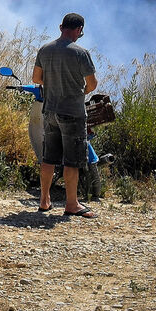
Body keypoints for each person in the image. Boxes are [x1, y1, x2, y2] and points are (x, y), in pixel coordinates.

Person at [32, 12, 99, 218]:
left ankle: (44, 201)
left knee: (48, 158)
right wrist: (80, 90)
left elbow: (36, 78)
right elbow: (92, 84)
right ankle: (72, 204)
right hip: (72, 113)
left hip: (50, 111)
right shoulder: (81, 53)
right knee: (72, 160)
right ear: (79, 30)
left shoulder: (45, 49)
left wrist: (54, 84)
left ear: (61, 27)